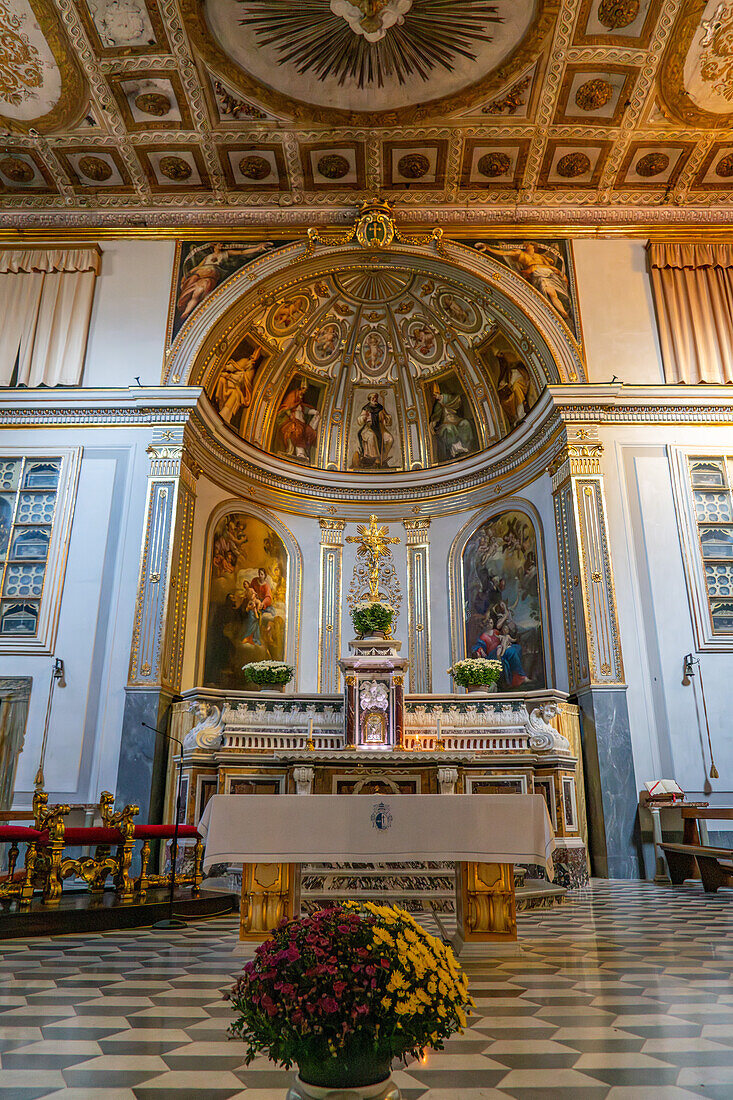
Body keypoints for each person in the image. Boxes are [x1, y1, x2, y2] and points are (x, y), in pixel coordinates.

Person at [176, 242, 273, 322]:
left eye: (222, 244)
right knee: (190, 287)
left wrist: (258, 248)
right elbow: (198, 267)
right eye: (218, 244)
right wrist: (188, 274)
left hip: (211, 274)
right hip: (200, 273)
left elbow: (242, 252)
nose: (221, 245)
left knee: (200, 291)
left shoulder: (225, 254)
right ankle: (185, 309)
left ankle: (187, 313)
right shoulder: (208, 257)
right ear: (213, 246)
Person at [476, 242, 571, 322]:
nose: (527, 245)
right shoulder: (520, 254)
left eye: (530, 244)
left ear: (534, 247)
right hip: (538, 275)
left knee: (554, 294)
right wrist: (488, 248)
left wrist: (563, 277)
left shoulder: (541, 257)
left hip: (549, 273)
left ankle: (563, 313)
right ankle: (561, 313)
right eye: (527, 244)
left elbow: (552, 268)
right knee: (550, 293)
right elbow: (504, 252)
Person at [212, 348, 261, 427]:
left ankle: (225, 414)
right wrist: (225, 369)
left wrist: (232, 377)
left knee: (235, 394)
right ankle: (217, 402)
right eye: (251, 358)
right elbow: (232, 367)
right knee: (221, 379)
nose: (251, 361)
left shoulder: (250, 372)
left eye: (254, 360)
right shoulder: (244, 362)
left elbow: (245, 385)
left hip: (236, 388)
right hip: (228, 383)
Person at [276, 378, 320, 461]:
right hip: (295, 423)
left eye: (305, 391)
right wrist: (291, 417)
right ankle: (300, 454)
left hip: (302, 424)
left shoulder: (300, 404)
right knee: (297, 433)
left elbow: (306, 410)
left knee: (309, 432)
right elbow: (286, 408)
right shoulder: (292, 403)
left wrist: (315, 412)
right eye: (302, 390)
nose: (303, 394)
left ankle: (303, 453)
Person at [429, 383, 474, 461]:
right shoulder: (438, 405)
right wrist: (432, 424)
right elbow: (435, 416)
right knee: (449, 428)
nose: (435, 396)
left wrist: (443, 398)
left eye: (436, 394)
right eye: (434, 395)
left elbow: (456, 400)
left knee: (465, 423)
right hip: (444, 424)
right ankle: (454, 449)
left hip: (455, 419)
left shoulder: (448, 398)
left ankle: (465, 447)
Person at [354, 392, 394, 468]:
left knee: (389, 439)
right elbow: (360, 419)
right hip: (368, 428)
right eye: (372, 397)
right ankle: (375, 460)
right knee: (372, 437)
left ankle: (383, 457)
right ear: (369, 399)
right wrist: (363, 418)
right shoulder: (366, 408)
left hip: (380, 428)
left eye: (375, 397)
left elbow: (386, 418)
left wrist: (387, 418)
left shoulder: (380, 407)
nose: (374, 399)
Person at [496, 353, 531, 426]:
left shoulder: (514, 372)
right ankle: (515, 417)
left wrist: (510, 386)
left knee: (517, 389)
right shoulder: (502, 376)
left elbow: (520, 380)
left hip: (518, 390)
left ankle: (521, 414)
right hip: (511, 394)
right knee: (505, 402)